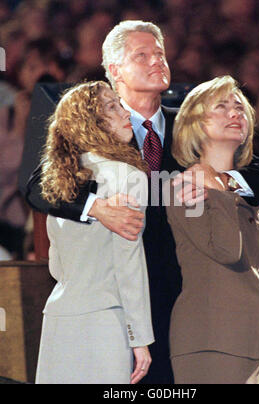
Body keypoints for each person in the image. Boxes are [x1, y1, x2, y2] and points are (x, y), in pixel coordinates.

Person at [26, 20, 259, 384]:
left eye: (160, 53)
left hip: (184, 299)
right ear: (114, 70)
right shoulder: (95, 131)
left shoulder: (190, 127)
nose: (156, 61)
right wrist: (95, 208)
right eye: (142, 55)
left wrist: (221, 178)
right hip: (116, 303)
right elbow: (37, 185)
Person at [35, 81, 153, 384]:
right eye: (112, 106)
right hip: (106, 322)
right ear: (90, 123)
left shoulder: (60, 182)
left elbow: (55, 264)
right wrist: (139, 336)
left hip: (59, 318)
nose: (125, 112)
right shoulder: (128, 175)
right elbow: (129, 262)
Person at [164, 75, 259, 384]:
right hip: (210, 339)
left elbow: (252, 269)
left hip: (248, 343)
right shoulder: (184, 186)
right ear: (196, 124)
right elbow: (227, 251)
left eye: (240, 107)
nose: (235, 113)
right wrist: (217, 190)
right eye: (222, 106)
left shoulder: (242, 189)